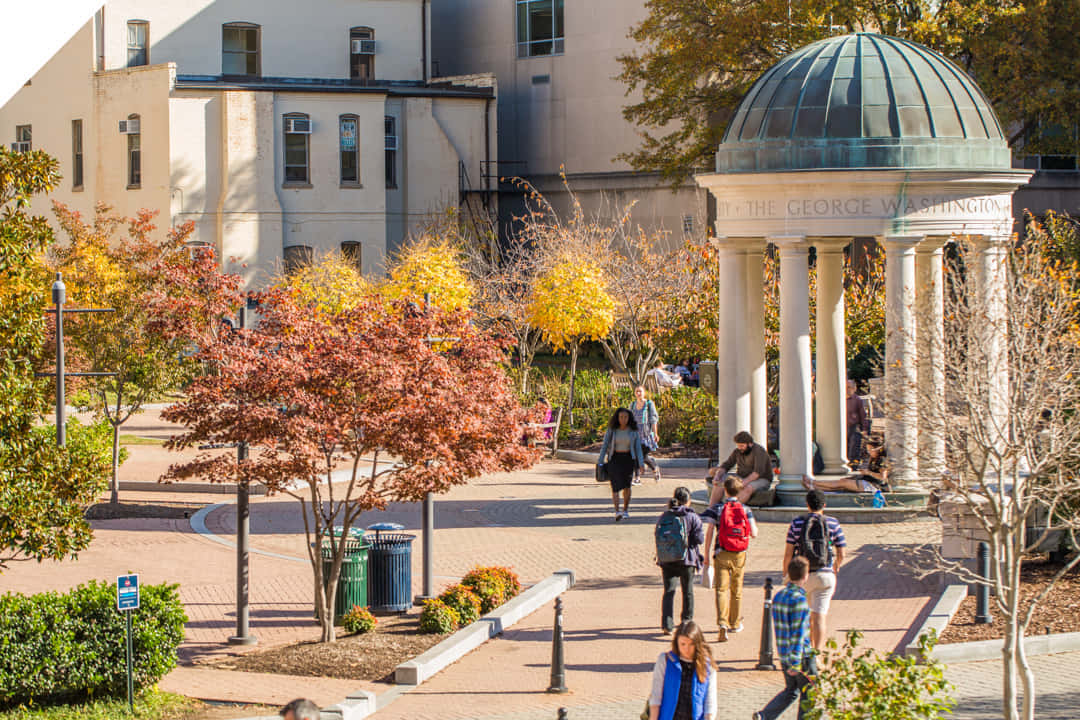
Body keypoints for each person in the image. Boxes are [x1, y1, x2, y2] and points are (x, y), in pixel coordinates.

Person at [783, 490, 846, 651]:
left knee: (803, 616)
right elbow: (841, 552)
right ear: (824, 505)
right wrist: (836, 566)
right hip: (825, 575)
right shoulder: (832, 523)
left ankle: (802, 650)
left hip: (802, 575)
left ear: (807, 505)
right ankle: (816, 654)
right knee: (819, 616)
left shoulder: (797, 523)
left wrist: (786, 574)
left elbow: (788, 553)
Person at [753, 557, 814, 720]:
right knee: (810, 693)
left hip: (784, 654)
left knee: (791, 690)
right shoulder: (800, 600)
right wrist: (796, 662)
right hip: (801, 657)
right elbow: (799, 633)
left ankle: (765, 715)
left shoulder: (779, 596)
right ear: (805, 575)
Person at [700, 475, 758, 642]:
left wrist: (707, 557)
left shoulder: (718, 509)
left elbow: (710, 530)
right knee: (736, 590)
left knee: (721, 589)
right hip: (739, 553)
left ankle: (722, 623)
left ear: (725, 490)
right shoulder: (746, 510)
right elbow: (754, 533)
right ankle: (735, 622)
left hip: (721, 552)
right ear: (739, 491)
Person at [655, 487, 704, 633]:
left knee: (669, 591)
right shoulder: (692, 517)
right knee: (687, 591)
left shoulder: (664, 516)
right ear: (688, 501)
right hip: (687, 559)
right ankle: (686, 621)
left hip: (667, 559)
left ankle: (667, 624)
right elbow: (699, 539)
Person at [647, 621, 717, 720]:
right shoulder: (665, 660)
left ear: (698, 643)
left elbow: (710, 703)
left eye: (691, 644)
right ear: (677, 642)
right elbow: (656, 695)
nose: (686, 649)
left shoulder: (707, 666)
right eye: (683, 644)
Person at [597, 407, 645, 521]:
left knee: (627, 486)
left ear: (629, 418)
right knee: (615, 486)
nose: (623, 419)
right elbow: (605, 445)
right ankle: (617, 511)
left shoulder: (633, 431)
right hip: (615, 459)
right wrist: (600, 461)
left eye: (625, 417)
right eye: (621, 417)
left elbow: (638, 448)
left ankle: (625, 510)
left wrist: (641, 463)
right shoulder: (612, 430)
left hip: (628, 459)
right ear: (617, 418)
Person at [706, 431, 773, 506]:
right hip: (742, 476)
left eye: (742, 446)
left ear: (750, 444)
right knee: (721, 481)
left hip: (761, 479)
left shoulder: (759, 451)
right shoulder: (737, 451)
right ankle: (711, 509)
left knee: (747, 488)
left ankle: (731, 510)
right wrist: (718, 476)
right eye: (738, 446)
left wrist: (742, 483)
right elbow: (726, 465)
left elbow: (757, 473)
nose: (739, 448)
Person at [806, 441, 889, 493]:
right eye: (868, 450)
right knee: (842, 484)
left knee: (843, 483)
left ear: (878, 449)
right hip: (866, 482)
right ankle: (815, 487)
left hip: (872, 486)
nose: (869, 452)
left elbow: (882, 477)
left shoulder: (882, 460)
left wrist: (868, 472)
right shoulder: (873, 459)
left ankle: (813, 482)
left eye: (870, 450)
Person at [631, 385, 661, 483]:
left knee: (643, 457)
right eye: (636, 391)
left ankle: (654, 468)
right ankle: (637, 478)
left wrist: (655, 433)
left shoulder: (649, 404)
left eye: (640, 391)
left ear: (644, 393)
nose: (638, 393)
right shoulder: (632, 405)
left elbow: (653, 419)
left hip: (646, 435)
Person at [846, 379, 869, 468]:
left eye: (849, 387)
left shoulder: (857, 400)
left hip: (854, 426)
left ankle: (854, 465)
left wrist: (865, 429)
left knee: (854, 446)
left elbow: (863, 415)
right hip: (842, 427)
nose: (847, 390)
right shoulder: (839, 399)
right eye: (846, 387)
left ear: (854, 388)